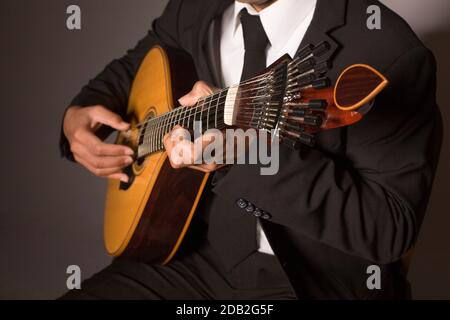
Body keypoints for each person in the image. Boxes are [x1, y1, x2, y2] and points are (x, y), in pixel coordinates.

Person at [60, 0, 442, 299]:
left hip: (306, 280)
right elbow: (136, 63)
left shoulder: (384, 48)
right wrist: (77, 115)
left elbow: (388, 228)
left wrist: (247, 156)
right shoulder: (195, 8)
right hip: (193, 256)